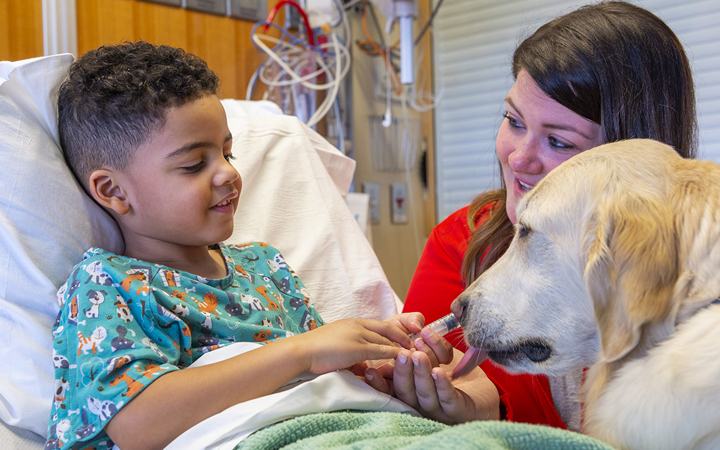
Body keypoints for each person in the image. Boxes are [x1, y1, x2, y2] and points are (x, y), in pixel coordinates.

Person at [47, 41, 497, 450]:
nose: (226, 173)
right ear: (113, 192)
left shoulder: (264, 268)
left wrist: (384, 373)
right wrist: (305, 351)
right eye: (193, 164)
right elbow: (138, 424)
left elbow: (320, 387)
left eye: (228, 153)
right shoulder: (107, 285)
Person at [400, 0, 697, 433]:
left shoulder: (693, 281)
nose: (520, 159)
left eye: (558, 142)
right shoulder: (462, 241)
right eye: (514, 120)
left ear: (631, 154)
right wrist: (479, 410)